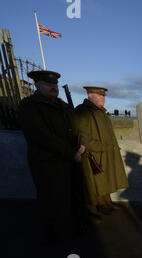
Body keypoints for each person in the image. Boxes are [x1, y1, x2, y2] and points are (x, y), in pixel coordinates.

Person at [18, 70, 86, 243]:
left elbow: (74, 128)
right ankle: (55, 239)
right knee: (53, 202)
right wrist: (72, 153)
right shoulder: (29, 106)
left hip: (69, 161)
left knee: (72, 199)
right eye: (48, 84)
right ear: (37, 84)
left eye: (54, 84)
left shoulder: (63, 106)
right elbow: (41, 136)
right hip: (47, 163)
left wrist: (80, 144)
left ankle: (72, 232)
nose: (53, 87)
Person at [73, 86, 128, 219]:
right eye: (100, 95)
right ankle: (99, 205)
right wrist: (102, 147)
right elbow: (83, 137)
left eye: (104, 96)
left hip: (106, 151)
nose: (103, 98)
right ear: (90, 95)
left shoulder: (101, 112)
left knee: (105, 179)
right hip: (94, 153)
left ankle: (106, 202)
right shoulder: (82, 112)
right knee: (96, 181)